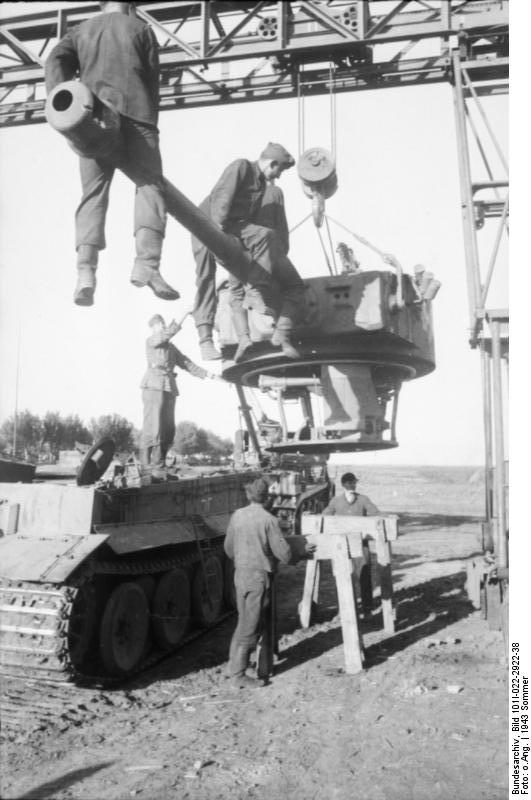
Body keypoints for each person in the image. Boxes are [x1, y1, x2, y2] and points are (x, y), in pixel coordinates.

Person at [44, 1, 179, 307]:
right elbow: (152, 79)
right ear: (130, 5)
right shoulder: (141, 29)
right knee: (149, 185)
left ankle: (85, 273)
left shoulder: (80, 31)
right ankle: (147, 265)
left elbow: (54, 60)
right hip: (137, 116)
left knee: (93, 194)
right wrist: (149, 122)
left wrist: (64, 94)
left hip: (90, 117)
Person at [191, 143, 302, 360]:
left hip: (232, 230)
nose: (278, 176)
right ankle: (205, 340)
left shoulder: (261, 185)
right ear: (273, 163)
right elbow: (223, 198)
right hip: (206, 224)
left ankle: (255, 293)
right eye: (279, 170)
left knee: (265, 236)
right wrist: (219, 235)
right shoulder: (241, 166)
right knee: (205, 278)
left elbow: (252, 222)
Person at [224, 476, 292, 689]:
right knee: (251, 627)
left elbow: (228, 548)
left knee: (243, 621)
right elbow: (285, 555)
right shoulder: (268, 520)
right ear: (268, 498)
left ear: (248, 495)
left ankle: (233, 667)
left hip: (240, 575)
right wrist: (299, 550)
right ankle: (238, 676)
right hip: (258, 578)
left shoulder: (237, 515)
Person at [229, 180, 306, 362]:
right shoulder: (275, 191)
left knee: (236, 296)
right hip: (270, 250)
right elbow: (281, 226)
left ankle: (243, 339)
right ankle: (283, 335)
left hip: (239, 250)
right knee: (294, 288)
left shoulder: (239, 191)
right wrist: (280, 254)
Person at [140, 314, 217, 479]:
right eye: (160, 324)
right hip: (154, 385)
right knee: (153, 427)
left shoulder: (171, 348)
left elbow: (186, 363)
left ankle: (159, 465)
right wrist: (183, 314)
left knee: (168, 430)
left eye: (163, 323)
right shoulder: (152, 341)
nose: (163, 326)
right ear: (153, 328)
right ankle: (147, 467)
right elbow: (166, 334)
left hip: (169, 387)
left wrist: (210, 375)